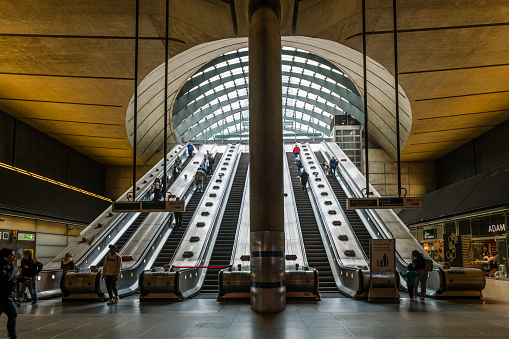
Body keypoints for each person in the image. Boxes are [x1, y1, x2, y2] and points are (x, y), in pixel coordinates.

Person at [0, 248, 18, 339]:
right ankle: (13, 336)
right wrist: (15, 270)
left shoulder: (10, 266)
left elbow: (11, 279)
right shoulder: (2, 267)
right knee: (13, 314)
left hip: (6, 295)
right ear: (5, 257)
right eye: (12, 255)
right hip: (4, 296)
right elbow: (6, 278)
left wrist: (22, 279)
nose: (14, 257)